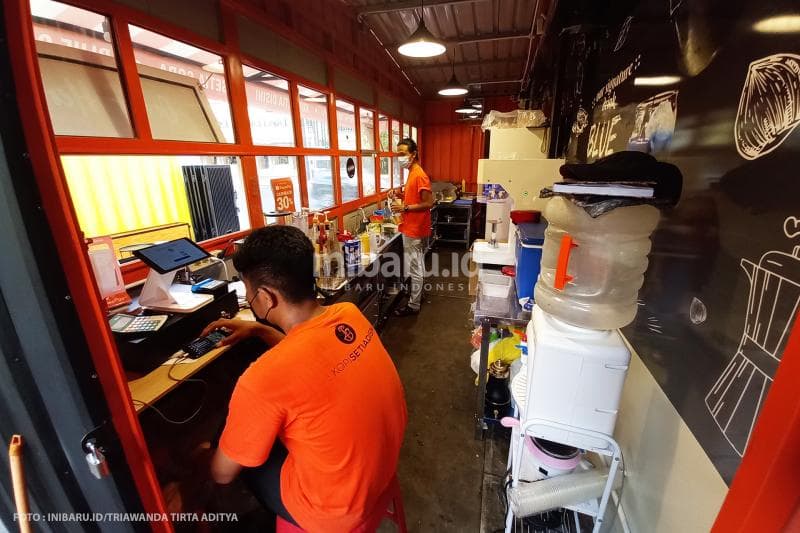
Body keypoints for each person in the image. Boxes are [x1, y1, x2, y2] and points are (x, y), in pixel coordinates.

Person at [201, 225, 407, 532]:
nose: (247, 297)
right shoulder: (348, 314)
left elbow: (223, 474)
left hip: (333, 511)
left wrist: (199, 459)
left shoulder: (262, 378)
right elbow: (309, 358)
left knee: (226, 445)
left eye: (247, 289)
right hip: (382, 470)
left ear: (267, 297)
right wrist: (257, 330)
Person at [391, 137, 434, 316]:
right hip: (414, 227)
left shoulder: (419, 174)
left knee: (415, 268)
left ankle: (413, 305)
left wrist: (404, 207)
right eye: (397, 154)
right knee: (417, 266)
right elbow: (414, 196)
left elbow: (429, 202)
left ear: (413, 154)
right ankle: (417, 294)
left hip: (414, 229)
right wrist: (400, 193)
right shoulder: (412, 173)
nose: (399, 157)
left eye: (402, 154)